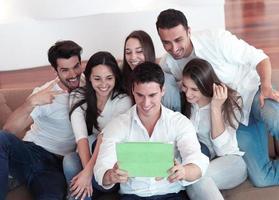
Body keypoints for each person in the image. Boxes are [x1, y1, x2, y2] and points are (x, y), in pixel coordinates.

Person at [156, 8, 279, 187]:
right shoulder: (168, 64)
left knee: (275, 119)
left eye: (178, 40)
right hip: (234, 121)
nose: (174, 48)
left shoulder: (215, 39)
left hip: (252, 93)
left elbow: (260, 58)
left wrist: (266, 87)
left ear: (189, 32)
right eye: (166, 43)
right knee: (262, 178)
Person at [94, 61, 209, 200]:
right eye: (140, 95)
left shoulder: (179, 122)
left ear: (163, 91)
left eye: (152, 95)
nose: (146, 103)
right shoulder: (118, 124)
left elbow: (197, 162)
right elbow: (101, 169)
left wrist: (184, 171)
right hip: (133, 196)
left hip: (171, 194)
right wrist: (111, 175)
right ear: (133, 91)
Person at [0, 40, 83, 199]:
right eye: (65, 70)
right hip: (32, 152)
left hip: (57, 166)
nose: (73, 75)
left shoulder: (92, 84)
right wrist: (31, 102)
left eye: (76, 66)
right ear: (55, 71)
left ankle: (14, 176)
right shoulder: (45, 93)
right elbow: (9, 131)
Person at [63, 51, 132, 200]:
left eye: (109, 78)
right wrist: (88, 172)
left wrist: (88, 173)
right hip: (91, 157)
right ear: (89, 78)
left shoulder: (123, 101)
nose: (103, 84)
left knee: (96, 141)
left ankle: (80, 192)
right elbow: (81, 138)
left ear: (115, 78)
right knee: (69, 161)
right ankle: (82, 195)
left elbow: (105, 138)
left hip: (110, 163)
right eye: (97, 79)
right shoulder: (77, 96)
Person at [181, 58, 247, 199]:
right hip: (205, 163)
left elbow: (223, 151)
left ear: (206, 85)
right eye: (185, 86)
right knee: (191, 185)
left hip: (231, 162)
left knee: (197, 177)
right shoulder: (187, 104)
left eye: (194, 89)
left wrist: (215, 107)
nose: (187, 93)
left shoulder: (230, 101)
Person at [122, 30, 180, 110]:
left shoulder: (166, 81)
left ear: (149, 51)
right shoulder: (125, 76)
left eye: (139, 51)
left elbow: (175, 115)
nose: (133, 57)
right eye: (128, 52)